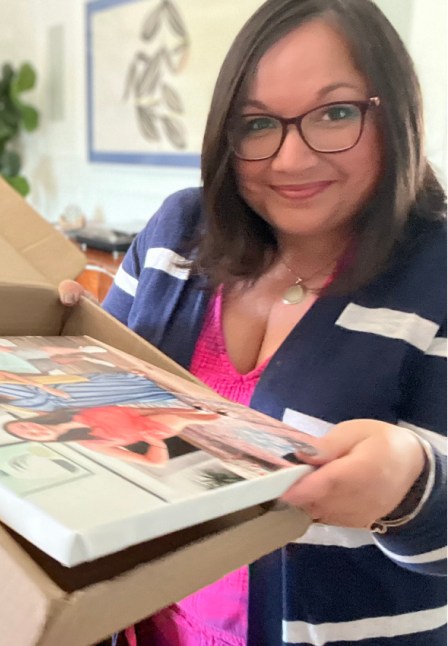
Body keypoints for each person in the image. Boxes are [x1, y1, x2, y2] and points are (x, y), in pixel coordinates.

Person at [60, 1, 446, 644]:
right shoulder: (174, 236)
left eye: (335, 113)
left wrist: (411, 489)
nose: (290, 160)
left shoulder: (438, 272)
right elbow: (98, 422)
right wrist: (57, 357)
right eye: (258, 124)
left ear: (395, 114)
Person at [2, 405, 221, 466]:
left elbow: (136, 410)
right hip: (161, 432)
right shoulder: (93, 444)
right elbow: (153, 463)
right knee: (174, 420)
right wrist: (156, 443)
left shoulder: (73, 411)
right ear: (43, 441)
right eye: (31, 435)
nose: (34, 430)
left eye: (26, 426)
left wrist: (186, 410)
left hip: (166, 409)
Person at [0, 371, 180, 412]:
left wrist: (40, 386)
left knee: (134, 381)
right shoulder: (7, 407)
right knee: (139, 396)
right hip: (77, 403)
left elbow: (6, 373)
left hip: (66, 386)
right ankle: (173, 394)